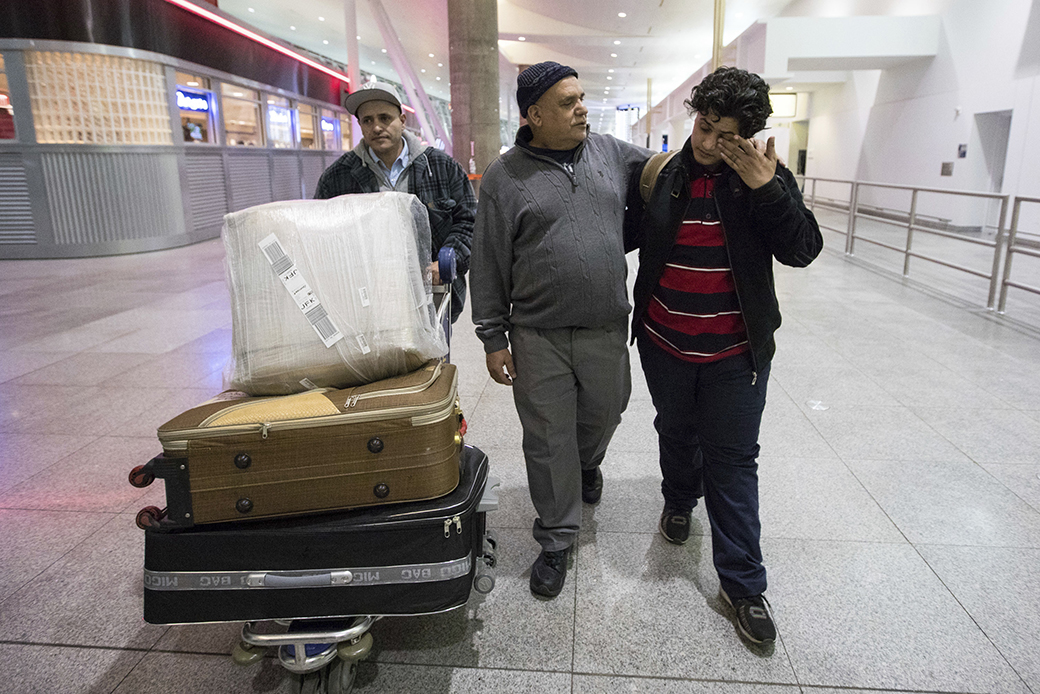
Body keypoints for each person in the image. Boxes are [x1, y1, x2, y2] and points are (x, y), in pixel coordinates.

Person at [625, 66, 823, 645]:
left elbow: (803, 250)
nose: (709, 144)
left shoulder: (766, 180)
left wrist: (768, 189)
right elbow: (621, 234)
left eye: (725, 136)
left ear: (749, 135)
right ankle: (680, 499)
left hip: (737, 354)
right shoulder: (661, 174)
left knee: (733, 460)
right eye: (704, 127)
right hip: (664, 342)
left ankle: (743, 585)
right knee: (675, 430)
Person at [470, 62, 650, 598]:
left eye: (582, 98)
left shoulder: (611, 152)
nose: (582, 109)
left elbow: (663, 171)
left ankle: (588, 464)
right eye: (568, 102)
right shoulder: (505, 177)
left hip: (603, 326)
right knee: (549, 439)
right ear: (534, 116)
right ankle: (555, 537)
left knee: (607, 411)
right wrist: (492, 336)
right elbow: (488, 261)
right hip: (536, 333)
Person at [314, 81, 475, 323]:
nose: (377, 127)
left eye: (384, 118)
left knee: (434, 361)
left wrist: (445, 261)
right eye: (367, 120)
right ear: (360, 126)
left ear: (402, 120)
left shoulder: (442, 167)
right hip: (368, 303)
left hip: (433, 297)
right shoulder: (338, 177)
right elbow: (321, 235)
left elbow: (470, 221)